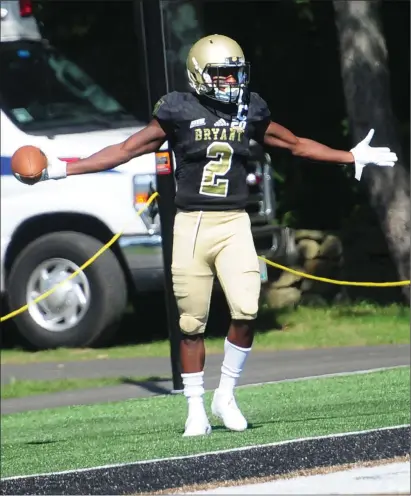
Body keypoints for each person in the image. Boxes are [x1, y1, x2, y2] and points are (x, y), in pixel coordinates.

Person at [22, 34, 397, 437]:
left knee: (247, 310)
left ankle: (227, 394)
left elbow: (296, 145)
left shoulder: (250, 110)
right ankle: (195, 407)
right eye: (222, 75)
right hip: (192, 224)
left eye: (235, 74)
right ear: (200, 76)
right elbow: (127, 149)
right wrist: (60, 170)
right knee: (191, 322)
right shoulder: (177, 110)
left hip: (234, 222)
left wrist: (352, 155)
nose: (231, 82)